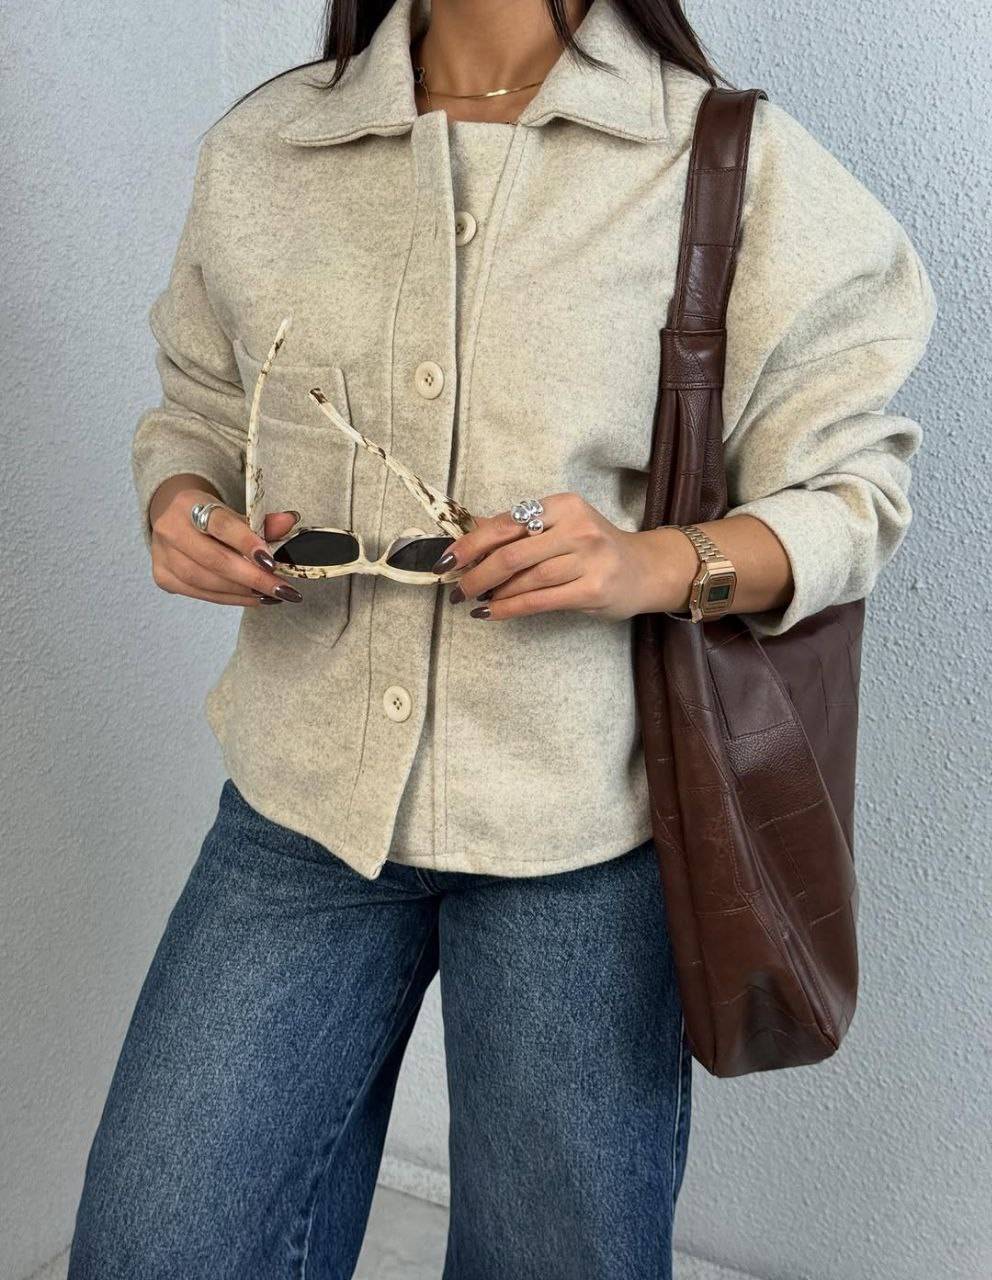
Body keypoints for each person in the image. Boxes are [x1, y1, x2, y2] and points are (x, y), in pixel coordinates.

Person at [67, 0, 937, 1275]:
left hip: (583, 831)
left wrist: (648, 562)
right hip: (299, 805)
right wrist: (183, 504)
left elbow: (856, 495)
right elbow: (198, 403)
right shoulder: (271, 146)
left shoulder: (726, 162)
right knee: (158, 1241)